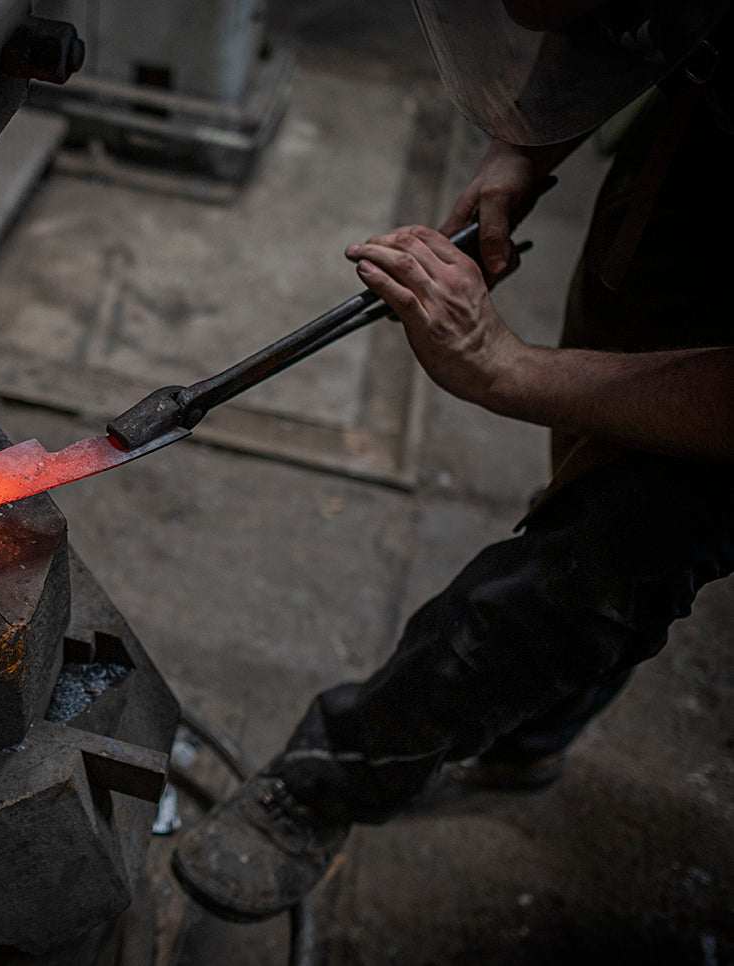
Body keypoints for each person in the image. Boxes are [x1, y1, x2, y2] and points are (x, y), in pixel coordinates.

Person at [170, 0, 734, 923]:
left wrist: (504, 369)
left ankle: (329, 783)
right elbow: (610, 28)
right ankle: (530, 738)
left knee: (581, 576)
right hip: (695, 175)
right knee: (582, 482)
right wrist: (523, 150)